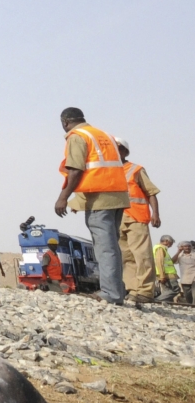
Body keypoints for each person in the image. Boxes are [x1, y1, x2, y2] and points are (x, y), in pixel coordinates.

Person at [55, 108, 128, 305]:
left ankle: (111, 294)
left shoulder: (77, 137)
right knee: (111, 245)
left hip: (99, 197)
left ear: (65, 122)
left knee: (105, 247)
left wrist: (63, 197)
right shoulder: (105, 135)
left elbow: (76, 170)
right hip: (118, 195)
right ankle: (116, 291)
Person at [116, 138, 163, 304]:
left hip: (136, 217)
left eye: (118, 148)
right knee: (126, 258)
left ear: (124, 151)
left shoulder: (136, 169)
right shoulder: (109, 171)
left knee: (142, 256)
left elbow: (151, 192)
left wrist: (155, 213)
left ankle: (145, 291)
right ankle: (133, 289)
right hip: (118, 219)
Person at [155, 235, 179, 302]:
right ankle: (157, 301)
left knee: (167, 291)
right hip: (167, 274)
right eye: (171, 243)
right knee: (175, 289)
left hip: (165, 274)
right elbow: (160, 262)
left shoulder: (162, 249)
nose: (171, 245)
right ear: (166, 241)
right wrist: (162, 276)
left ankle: (165, 303)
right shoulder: (160, 248)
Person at [174, 242, 195, 306]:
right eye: (185, 246)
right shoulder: (180, 255)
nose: (187, 248)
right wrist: (178, 251)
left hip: (194, 278)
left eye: (189, 246)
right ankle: (190, 307)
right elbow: (172, 261)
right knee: (188, 295)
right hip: (185, 279)